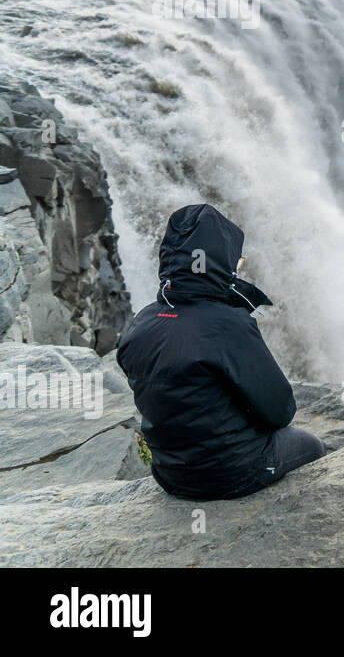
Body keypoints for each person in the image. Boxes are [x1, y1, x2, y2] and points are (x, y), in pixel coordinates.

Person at [117, 204, 326, 501]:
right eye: (236, 259)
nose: (238, 266)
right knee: (312, 446)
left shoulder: (142, 322)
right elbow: (280, 411)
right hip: (233, 474)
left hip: (169, 475)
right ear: (220, 262)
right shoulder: (229, 324)